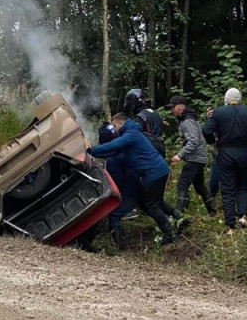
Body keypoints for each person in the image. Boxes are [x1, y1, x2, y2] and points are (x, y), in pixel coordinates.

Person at [88, 113, 177, 245]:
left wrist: (89, 150)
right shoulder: (130, 133)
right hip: (156, 171)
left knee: (151, 206)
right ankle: (181, 219)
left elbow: (113, 146)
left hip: (154, 172)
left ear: (121, 123)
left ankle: (169, 234)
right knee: (155, 203)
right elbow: (113, 151)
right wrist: (93, 153)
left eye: (115, 125)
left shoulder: (130, 134)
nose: (114, 128)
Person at [202, 88, 247, 233]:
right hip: (244, 152)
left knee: (227, 189)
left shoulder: (218, 113)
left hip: (225, 153)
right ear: (240, 99)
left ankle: (230, 225)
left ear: (226, 99)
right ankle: (242, 216)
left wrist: (214, 141)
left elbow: (206, 131)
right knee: (243, 186)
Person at [166, 96, 217, 216]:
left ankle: (179, 216)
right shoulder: (188, 119)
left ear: (181, 106)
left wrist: (180, 155)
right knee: (200, 187)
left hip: (195, 159)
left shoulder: (187, 121)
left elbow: (193, 141)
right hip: (199, 158)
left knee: (182, 184)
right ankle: (213, 212)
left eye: (173, 107)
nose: (172, 110)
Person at [124, 88, 166, 158]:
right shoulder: (156, 113)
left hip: (148, 151)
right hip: (160, 148)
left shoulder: (141, 117)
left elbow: (134, 135)